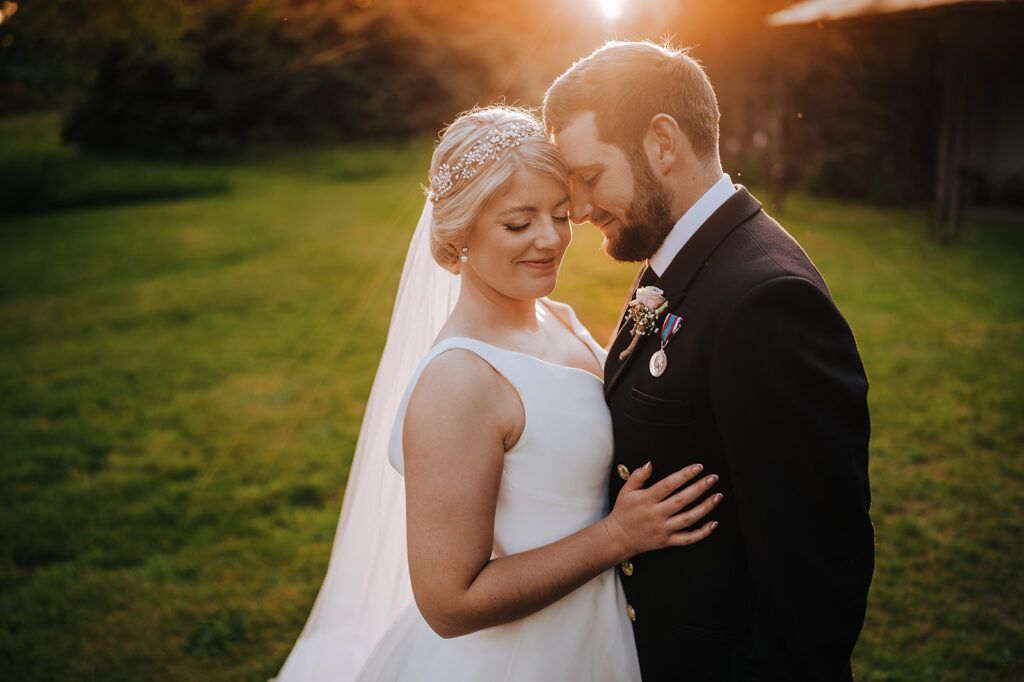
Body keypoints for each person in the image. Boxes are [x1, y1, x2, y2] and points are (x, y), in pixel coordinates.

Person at [274, 106, 723, 682]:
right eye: (518, 223)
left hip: (599, 633)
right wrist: (616, 536)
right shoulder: (459, 383)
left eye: (560, 214)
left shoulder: (557, 319)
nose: (550, 239)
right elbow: (449, 601)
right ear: (460, 234)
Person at [543, 40, 875, 681]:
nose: (579, 210)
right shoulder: (681, 255)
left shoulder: (767, 303)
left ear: (662, 144)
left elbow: (815, 586)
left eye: (589, 177)